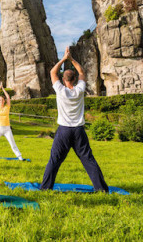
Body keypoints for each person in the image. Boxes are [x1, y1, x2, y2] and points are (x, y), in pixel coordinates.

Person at [40, 47, 108, 192]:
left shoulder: (60, 90)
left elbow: (52, 72)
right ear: (75, 79)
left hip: (64, 130)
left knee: (54, 160)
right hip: (78, 131)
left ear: (64, 80)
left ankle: (45, 188)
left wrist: (64, 59)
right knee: (89, 160)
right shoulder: (79, 89)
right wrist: (72, 59)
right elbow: (82, 72)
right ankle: (102, 189)